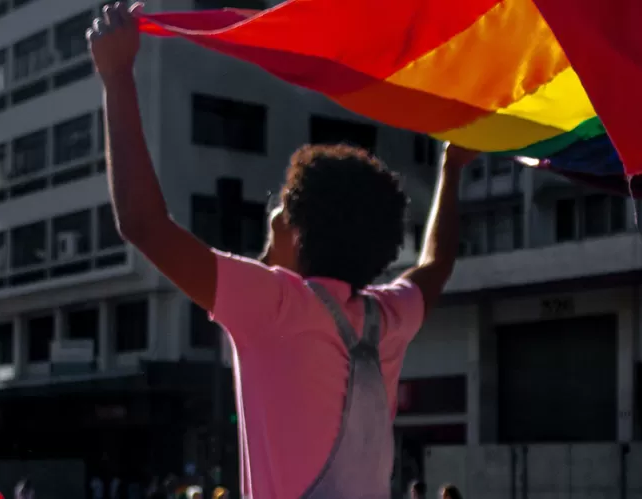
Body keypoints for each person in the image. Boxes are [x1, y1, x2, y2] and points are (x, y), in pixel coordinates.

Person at [87, 3, 476, 499]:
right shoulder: (387, 318)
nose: (267, 221)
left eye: (277, 209)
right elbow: (435, 266)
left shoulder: (273, 305)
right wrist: (452, 169)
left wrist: (117, 77)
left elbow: (143, 225)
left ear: (295, 230)